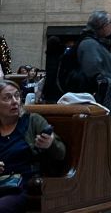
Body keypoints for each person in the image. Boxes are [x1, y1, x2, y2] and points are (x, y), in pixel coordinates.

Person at [0, 79, 65, 211]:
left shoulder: (33, 120)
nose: (15, 101)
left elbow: (61, 154)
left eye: (17, 96)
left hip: (22, 186)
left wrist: (50, 144)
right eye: (7, 98)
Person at [76, 11, 111, 119]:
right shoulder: (89, 44)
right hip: (101, 103)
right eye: (110, 23)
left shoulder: (96, 43)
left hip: (107, 100)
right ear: (102, 26)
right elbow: (93, 73)